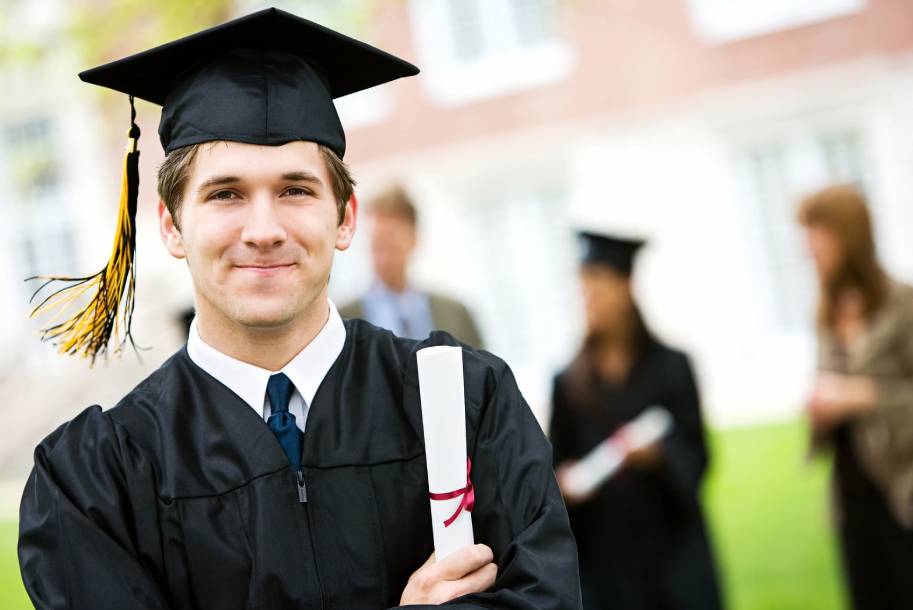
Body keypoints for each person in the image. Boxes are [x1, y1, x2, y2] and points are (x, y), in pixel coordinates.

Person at [17, 8, 581, 609]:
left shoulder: (468, 404)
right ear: (171, 226)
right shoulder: (98, 482)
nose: (263, 229)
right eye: (226, 194)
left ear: (345, 217)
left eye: (295, 190)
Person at [549, 231, 722, 610]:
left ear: (626, 288)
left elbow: (701, 459)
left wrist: (660, 456)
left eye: (598, 287)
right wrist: (567, 481)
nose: (589, 299)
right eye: (584, 289)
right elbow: (554, 471)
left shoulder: (673, 366)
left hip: (674, 552)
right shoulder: (567, 382)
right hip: (607, 560)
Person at [799, 184, 913, 609]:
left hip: (901, 491)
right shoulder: (826, 312)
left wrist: (865, 396)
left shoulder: (903, 304)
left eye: (816, 242)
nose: (809, 254)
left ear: (847, 236)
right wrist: (820, 409)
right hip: (851, 492)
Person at [339, 184, 484, 347]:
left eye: (393, 246)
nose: (384, 259)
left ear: (414, 239)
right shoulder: (341, 323)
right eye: (377, 246)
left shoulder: (456, 315)